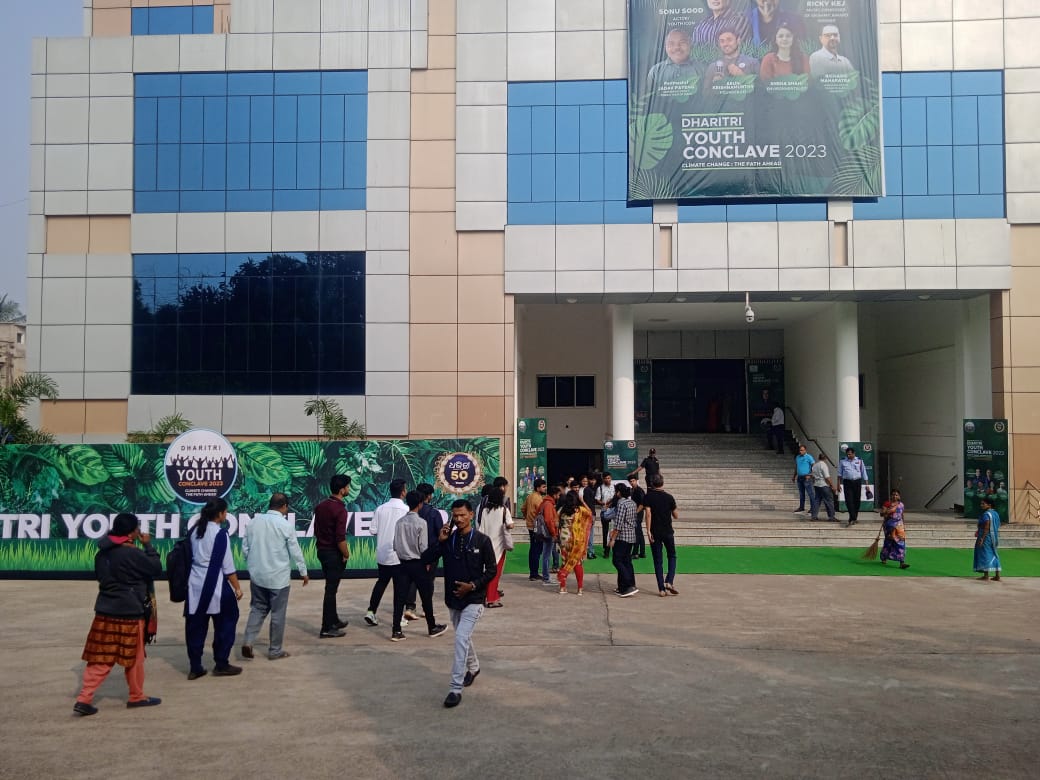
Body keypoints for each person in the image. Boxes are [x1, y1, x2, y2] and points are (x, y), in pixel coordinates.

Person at [73, 512, 162, 716]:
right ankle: (137, 696)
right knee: (135, 657)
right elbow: (156, 568)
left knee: (100, 658)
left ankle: (84, 698)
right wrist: (148, 546)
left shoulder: (102, 553)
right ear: (132, 532)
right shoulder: (133, 553)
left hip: (104, 611)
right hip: (130, 612)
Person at [419, 499, 498, 708]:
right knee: (463, 637)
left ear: (471, 515)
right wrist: (440, 540)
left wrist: (472, 586)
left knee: (461, 637)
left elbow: (491, 570)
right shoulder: (448, 540)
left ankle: (455, 688)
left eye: (463, 515)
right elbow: (426, 557)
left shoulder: (482, 540)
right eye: (455, 515)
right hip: (453, 600)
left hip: (474, 599)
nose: (459, 519)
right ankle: (474, 667)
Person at [240, 493, 309, 660]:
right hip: (278, 578)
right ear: (284, 506)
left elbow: (245, 548)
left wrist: (253, 565)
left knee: (257, 608)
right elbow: (295, 551)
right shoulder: (285, 525)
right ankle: (275, 650)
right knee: (278, 614)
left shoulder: (253, 523)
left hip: (257, 576)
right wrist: (303, 572)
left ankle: (248, 641)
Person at [185, 498, 243, 679]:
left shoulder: (194, 531)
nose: (226, 515)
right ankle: (221, 663)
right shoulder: (220, 534)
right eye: (225, 512)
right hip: (215, 585)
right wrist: (238, 588)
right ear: (219, 514)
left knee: (195, 626)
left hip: (194, 584)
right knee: (226, 622)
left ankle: (195, 667)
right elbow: (228, 567)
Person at [389, 490, 448, 641]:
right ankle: (432, 627)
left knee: (399, 598)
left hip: (402, 564)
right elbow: (423, 547)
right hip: (418, 563)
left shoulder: (399, 522)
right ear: (420, 504)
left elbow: (395, 545)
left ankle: (396, 630)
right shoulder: (421, 523)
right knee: (426, 596)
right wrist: (427, 562)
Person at [364, 478, 408, 627]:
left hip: (382, 554)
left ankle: (371, 611)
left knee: (381, 582)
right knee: (399, 587)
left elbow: (373, 530)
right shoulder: (406, 510)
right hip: (399, 555)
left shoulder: (380, 508)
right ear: (403, 492)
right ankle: (399, 618)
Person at [313, 474, 351, 638]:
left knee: (331, 588)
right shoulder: (340, 510)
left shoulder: (321, 506)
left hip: (322, 550)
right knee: (330, 590)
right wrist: (346, 554)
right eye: (348, 487)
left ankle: (333, 619)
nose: (349, 489)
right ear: (342, 490)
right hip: (333, 553)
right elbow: (340, 538)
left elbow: (316, 530)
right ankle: (326, 627)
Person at [403, 482, 444, 621]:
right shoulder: (433, 513)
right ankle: (427, 609)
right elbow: (439, 533)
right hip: (430, 552)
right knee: (428, 581)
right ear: (428, 496)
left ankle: (410, 607)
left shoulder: (409, 514)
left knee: (412, 581)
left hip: (411, 551)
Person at [476, 486, 514, 608]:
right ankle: (491, 599)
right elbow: (510, 525)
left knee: (485, 572)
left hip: (485, 544)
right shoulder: (504, 510)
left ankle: (484, 596)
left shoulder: (485, 511)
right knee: (495, 573)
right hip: (498, 545)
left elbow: (480, 528)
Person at [643, 474, 679, 597]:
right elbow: (676, 515)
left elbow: (648, 514)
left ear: (652, 483)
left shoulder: (648, 497)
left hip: (655, 532)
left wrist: (648, 530)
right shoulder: (669, 497)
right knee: (672, 556)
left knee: (658, 561)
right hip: (668, 531)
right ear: (662, 483)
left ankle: (661, 589)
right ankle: (669, 580)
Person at [556, 490, 593, 595]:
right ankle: (580, 589)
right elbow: (590, 513)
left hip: (564, 539)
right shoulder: (580, 510)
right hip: (576, 540)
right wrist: (583, 501)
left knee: (564, 562)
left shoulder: (561, 510)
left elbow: (556, 522)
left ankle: (562, 588)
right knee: (577, 562)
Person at [704, 26, 759, 94]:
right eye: (722, 41)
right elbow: (705, 96)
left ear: (738, 41)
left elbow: (760, 92)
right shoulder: (712, 67)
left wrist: (742, 77)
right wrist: (715, 86)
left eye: (729, 40)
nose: (725, 44)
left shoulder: (753, 63)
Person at [607, 483, 639, 598]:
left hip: (622, 537)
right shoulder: (632, 503)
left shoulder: (621, 503)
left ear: (619, 492)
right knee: (627, 561)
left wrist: (612, 539)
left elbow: (619, 523)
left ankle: (628, 584)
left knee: (617, 561)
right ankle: (623, 586)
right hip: (631, 536)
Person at [646, 28, 700, 93]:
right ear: (665, 46)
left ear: (690, 44)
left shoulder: (701, 69)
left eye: (682, 42)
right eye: (671, 43)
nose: (677, 47)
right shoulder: (655, 71)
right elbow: (650, 98)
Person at [522, 478, 547, 581]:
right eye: (543, 487)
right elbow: (543, 513)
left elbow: (523, 509)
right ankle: (534, 573)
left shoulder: (529, 496)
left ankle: (533, 573)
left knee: (533, 549)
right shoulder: (539, 499)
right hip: (537, 527)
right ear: (538, 488)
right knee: (536, 550)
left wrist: (527, 517)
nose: (545, 488)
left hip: (530, 526)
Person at [537, 484, 562, 584]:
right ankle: (546, 577)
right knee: (547, 555)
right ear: (554, 495)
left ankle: (546, 576)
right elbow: (549, 520)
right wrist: (553, 533)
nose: (559, 497)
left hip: (546, 532)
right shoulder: (548, 504)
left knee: (546, 555)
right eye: (558, 495)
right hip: (548, 533)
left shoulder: (546, 503)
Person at [879, 490, 909, 570]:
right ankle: (884, 557)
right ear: (891, 496)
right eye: (893, 495)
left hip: (899, 526)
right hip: (889, 526)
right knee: (889, 542)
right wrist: (886, 511)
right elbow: (881, 514)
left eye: (896, 495)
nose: (895, 496)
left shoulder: (901, 505)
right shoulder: (888, 504)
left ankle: (902, 562)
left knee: (901, 543)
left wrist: (904, 525)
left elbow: (902, 515)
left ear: (899, 496)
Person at [837, 447, 868, 526]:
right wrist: (838, 484)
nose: (848, 455)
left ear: (854, 454)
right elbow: (839, 474)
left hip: (857, 482)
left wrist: (867, 484)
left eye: (850, 454)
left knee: (856, 500)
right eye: (847, 454)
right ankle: (853, 517)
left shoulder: (859, 461)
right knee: (849, 500)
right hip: (847, 482)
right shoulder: (843, 461)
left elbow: (863, 472)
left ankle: (853, 518)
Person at [974, 496, 1001, 581]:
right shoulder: (995, 514)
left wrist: (982, 538)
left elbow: (987, 526)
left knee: (985, 554)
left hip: (986, 537)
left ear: (989, 505)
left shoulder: (986, 514)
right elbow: (998, 524)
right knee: (994, 553)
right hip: (994, 536)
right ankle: (997, 575)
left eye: (983, 504)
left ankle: (986, 575)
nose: (981, 505)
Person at [809, 453, 837, 522]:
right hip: (824, 485)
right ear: (825, 458)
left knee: (817, 501)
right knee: (829, 501)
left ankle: (814, 516)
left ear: (819, 458)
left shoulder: (815, 465)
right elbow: (827, 477)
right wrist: (832, 486)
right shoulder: (824, 465)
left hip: (816, 485)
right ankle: (831, 517)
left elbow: (812, 475)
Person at [595, 472, 617, 557]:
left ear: (611, 478)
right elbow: (597, 499)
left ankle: (615, 549)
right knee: (605, 531)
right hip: (605, 511)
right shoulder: (600, 488)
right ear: (603, 479)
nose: (607, 480)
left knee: (615, 530)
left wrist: (612, 501)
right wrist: (604, 503)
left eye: (609, 478)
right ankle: (606, 550)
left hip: (614, 511)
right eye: (606, 478)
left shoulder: (615, 487)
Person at [792, 444, 815, 515]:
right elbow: (796, 467)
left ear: (805, 450)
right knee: (801, 493)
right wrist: (794, 476)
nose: (800, 451)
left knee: (810, 493)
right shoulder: (798, 457)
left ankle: (813, 508)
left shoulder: (809, 457)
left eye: (802, 450)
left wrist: (810, 474)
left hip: (807, 478)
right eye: (800, 450)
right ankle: (801, 507)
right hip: (799, 477)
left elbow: (814, 466)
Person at [627, 474, 647, 558]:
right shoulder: (632, 490)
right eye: (630, 481)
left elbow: (642, 504)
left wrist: (635, 513)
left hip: (638, 513)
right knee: (639, 533)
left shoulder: (639, 491)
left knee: (636, 533)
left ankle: (635, 553)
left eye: (633, 481)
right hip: (636, 512)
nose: (632, 483)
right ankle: (642, 552)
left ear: (636, 481)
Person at [583, 474, 598, 558]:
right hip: (588, 514)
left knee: (590, 533)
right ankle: (588, 552)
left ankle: (591, 551)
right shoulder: (587, 490)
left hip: (591, 513)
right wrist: (592, 514)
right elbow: (588, 504)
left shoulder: (593, 489)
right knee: (588, 534)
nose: (593, 481)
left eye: (594, 480)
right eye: (591, 480)